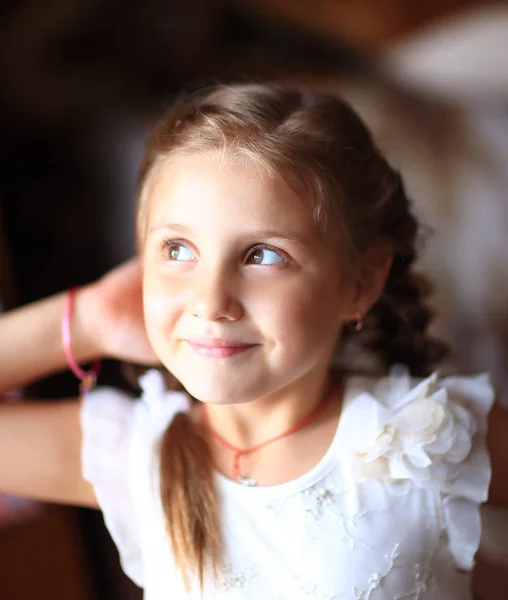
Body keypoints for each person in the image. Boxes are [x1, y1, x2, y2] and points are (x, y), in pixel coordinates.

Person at [0, 83, 507, 599]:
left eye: (262, 255)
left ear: (359, 283)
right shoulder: (135, 455)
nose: (211, 299)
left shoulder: (427, 437)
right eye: (178, 249)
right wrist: (90, 318)